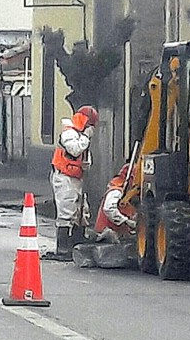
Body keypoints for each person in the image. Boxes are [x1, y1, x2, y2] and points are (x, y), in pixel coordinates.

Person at [50, 105, 99, 259]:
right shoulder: (69, 133)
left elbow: (84, 159)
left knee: (80, 210)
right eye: (90, 125)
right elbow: (74, 150)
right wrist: (85, 136)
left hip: (75, 177)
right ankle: (63, 248)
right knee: (66, 210)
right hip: (64, 176)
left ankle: (77, 241)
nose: (92, 129)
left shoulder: (79, 134)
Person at [94, 163, 137, 244]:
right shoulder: (116, 191)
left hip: (117, 235)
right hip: (106, 234)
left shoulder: (127, 194)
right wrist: (126, 221)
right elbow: (109, 209)